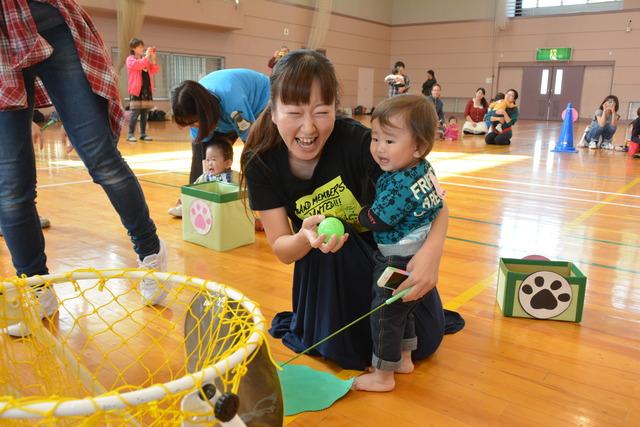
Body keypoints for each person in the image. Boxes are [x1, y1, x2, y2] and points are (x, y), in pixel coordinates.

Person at [241, 49, 461, 370]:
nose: (308, 128)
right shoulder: (261, 162)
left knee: (424, 341)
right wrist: (305, 236)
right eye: (294, 113)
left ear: (335, 108)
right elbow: (283, 250)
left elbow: (431, 199)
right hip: (326, 270)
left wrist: (431, 255)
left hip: (383, 261)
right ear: (272, 111)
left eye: (320, 111)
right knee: (331, 253)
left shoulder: (363, 143)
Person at [0, 0, 168, 336]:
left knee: (100, 158)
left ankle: (151, 250)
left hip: (46, 20)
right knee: (10, 188)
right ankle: (37, 288)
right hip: (2, 49)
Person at [352, 95, 444, 392]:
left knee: (384, 315)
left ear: (418, 146)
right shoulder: (423, 168)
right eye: (375, 138)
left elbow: (378, 219)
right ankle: (404, 358)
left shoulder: (398, 183)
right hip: (417, 255)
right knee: (405, 311)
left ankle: (383, 376)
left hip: (398, 258)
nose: (378, 148)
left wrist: (360, 215)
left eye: (389, 141)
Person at [168, 68, 270, 217]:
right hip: (221, 114)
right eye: (189, 124)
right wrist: (193, 195)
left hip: (262, 103)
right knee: (211, 156)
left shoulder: (233, 103)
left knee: (257, 156)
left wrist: (256, 209)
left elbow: (253, 144)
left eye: (195, 122)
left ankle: (261, 203)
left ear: (204, 113)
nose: (193, 127)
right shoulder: (196, 112)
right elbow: (201, 159)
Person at [126, 37, 159, 142]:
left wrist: (153, 58)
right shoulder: (130, 59)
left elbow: (154, 70)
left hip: (146, 90)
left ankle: (143, 134)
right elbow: (138, 65)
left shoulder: (145, 60)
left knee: (145, 113)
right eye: (140, 47)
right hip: (136, 90)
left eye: (142, 47)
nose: (142, 49)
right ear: (133, 48)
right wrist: (147, 57)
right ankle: (130, 134)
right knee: (135, 113)